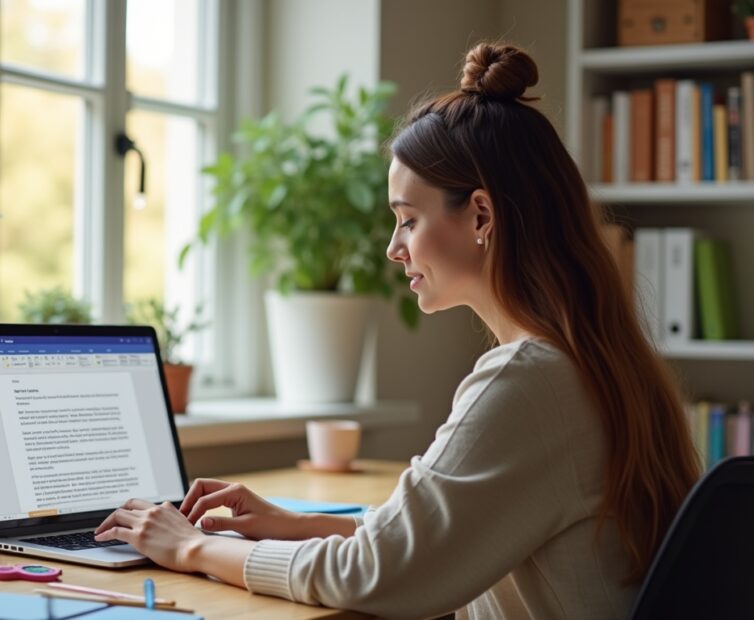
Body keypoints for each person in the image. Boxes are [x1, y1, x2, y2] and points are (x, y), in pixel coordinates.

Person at [94, 42, 701, 620]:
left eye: (408, 221)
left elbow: (377, 575)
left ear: (481, 216)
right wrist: (294, 523)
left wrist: (189, 547)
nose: (393, 248)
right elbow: (438, 537)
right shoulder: (597, 362)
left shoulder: (530, 380)